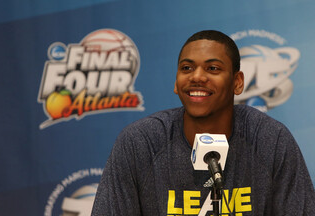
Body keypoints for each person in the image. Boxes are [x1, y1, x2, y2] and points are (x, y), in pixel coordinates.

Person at [91, 30, 315, 215]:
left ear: (237, 83)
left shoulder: (270, 140)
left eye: (213, 68)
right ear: (176, 83)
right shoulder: (140, 142)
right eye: (186, 68)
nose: (197, 76)